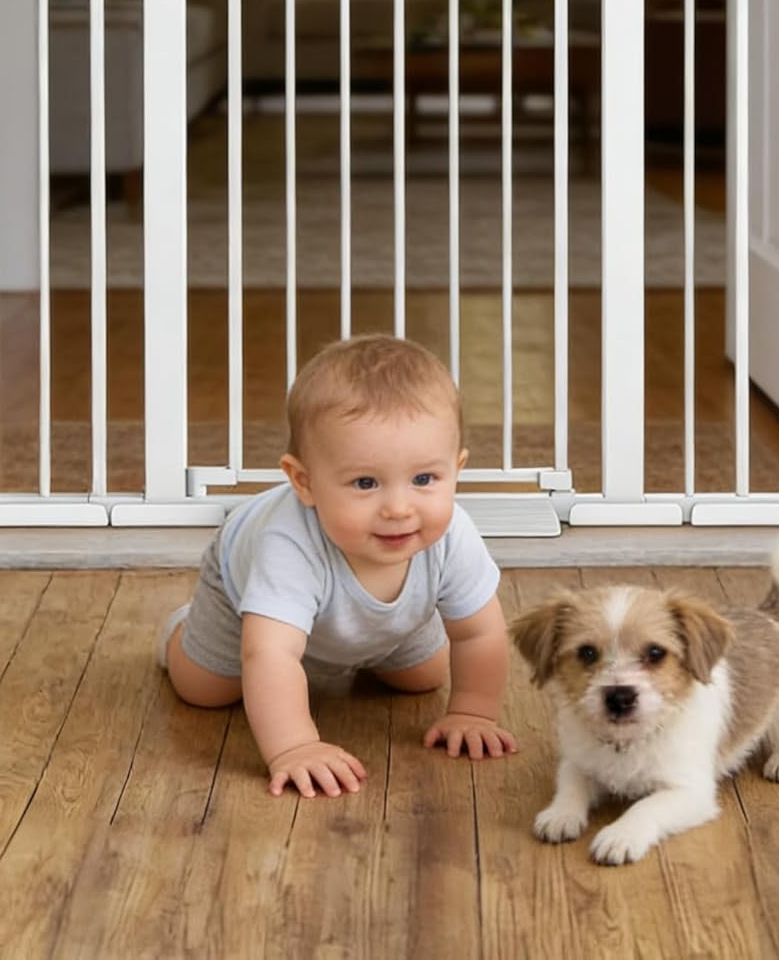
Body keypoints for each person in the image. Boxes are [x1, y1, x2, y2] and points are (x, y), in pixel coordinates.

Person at [161, 334, 518, 797]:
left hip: (377, 622)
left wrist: (473, 711)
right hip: (245, 599)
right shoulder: (286, 542)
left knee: (425, 677)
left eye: (424, 479)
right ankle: (180, 629)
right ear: (303, 482)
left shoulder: (452, 535)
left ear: (457, 468)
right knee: (206, 690)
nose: (398, 507)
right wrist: (294, 747)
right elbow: (269, 653)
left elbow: (479, 632)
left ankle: (358, 648)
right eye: (366, 482)